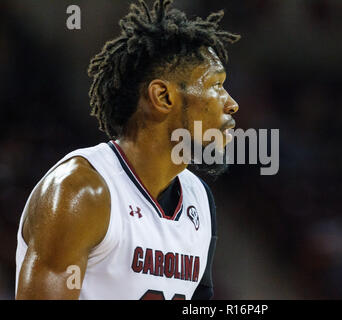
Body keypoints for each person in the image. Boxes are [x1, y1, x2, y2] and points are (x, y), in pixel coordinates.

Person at [15, 0, 240, 300]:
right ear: (163, 96)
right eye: (216, 85)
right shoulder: (81, 191)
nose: (231, 103)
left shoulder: (199, 200)